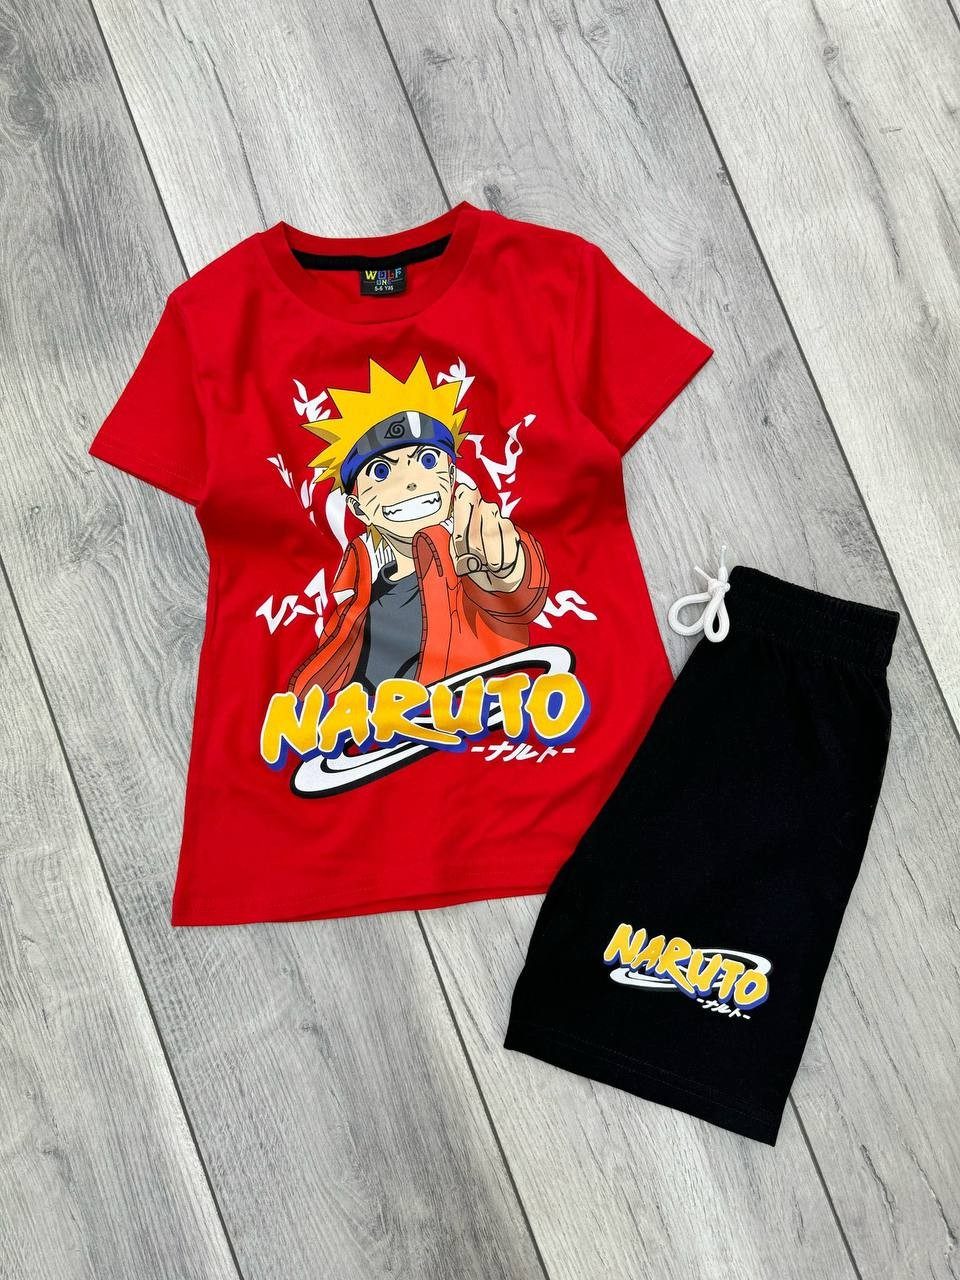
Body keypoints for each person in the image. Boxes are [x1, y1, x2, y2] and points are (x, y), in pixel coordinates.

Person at [289, 357, 548, 700]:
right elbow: (327, 668)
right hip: (356, 729)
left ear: (452, 477)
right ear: (358, 508)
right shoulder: (359, 592)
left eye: (427, 460)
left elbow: (516, 599)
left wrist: (508, 566)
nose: (410, 481)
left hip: (475, 721)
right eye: (381, 471)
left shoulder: (467, 560)